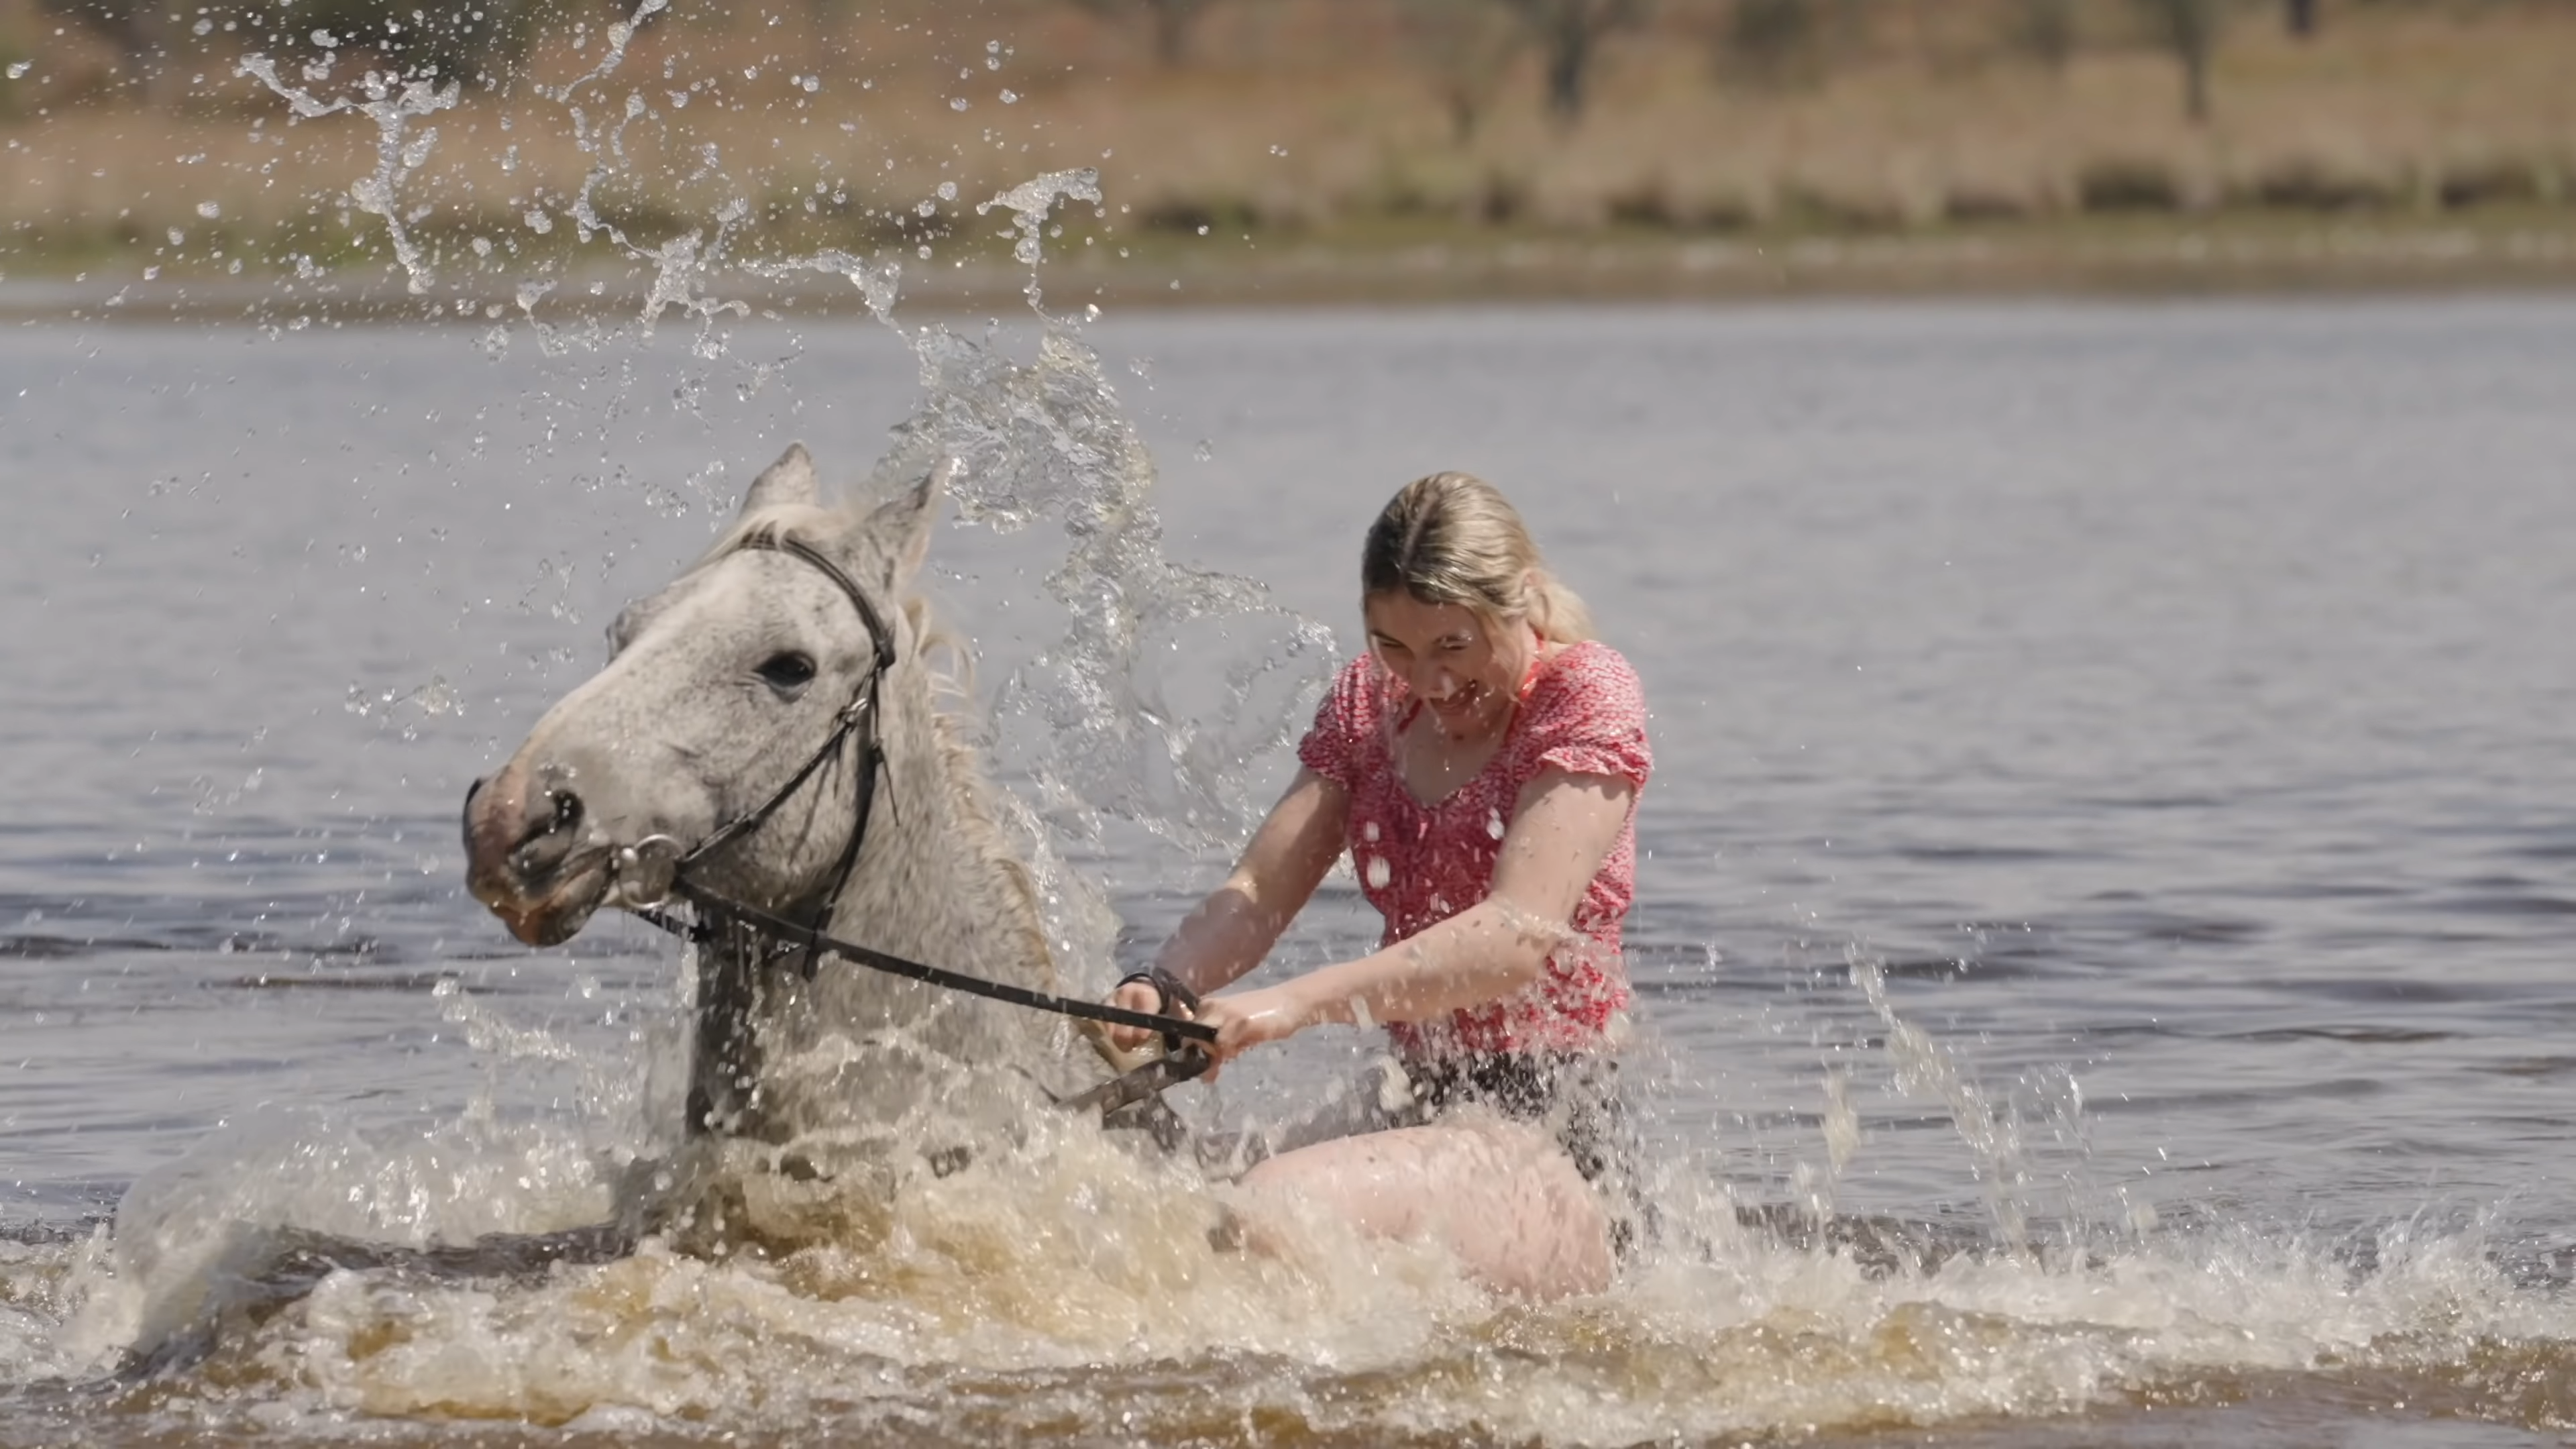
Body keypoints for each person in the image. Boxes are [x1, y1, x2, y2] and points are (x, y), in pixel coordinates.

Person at [1107, 470, 1653, 1298]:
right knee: (1148, 1191)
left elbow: (1513, 938)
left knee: (1274, 1208)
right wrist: (1169, 981)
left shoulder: (1585, 693)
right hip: (1415, 1105)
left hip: (1550, 1141)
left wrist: (1289, 1006)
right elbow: (1257, 889)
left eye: (1452, 647)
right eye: (1393, 645)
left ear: (1524, 601)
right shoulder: (1371, 703)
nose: (1427, 683)